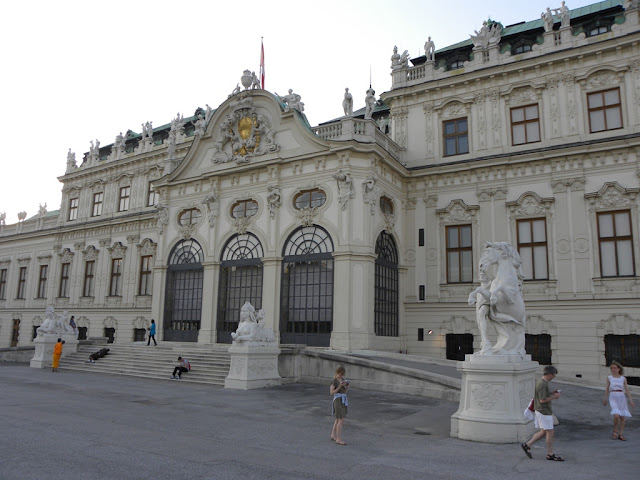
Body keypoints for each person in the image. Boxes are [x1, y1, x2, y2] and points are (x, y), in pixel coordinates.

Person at [521, 365, 564, 461]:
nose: (554, 377)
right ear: (549, 374)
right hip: (543, 411)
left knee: (543, 431)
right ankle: (550, 453)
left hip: (540, 410)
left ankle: (527, 445)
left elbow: (542, 396)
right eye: (553, 375)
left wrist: (551, 394)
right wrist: (555, 397)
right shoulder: (543, 384)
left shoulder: (541, 382)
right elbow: (542, 400)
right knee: (550, 431)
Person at [603, 360, 635, 440]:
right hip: (613, 396)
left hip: (621, 397)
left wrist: (631, 400)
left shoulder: (623, 378)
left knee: (622, 417)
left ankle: (621, 434)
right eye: (612, 368)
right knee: (616, 415)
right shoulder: (609, 378)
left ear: (618, 369)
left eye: (614, 368)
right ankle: (615, 431)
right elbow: (607, 389)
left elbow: (627, 389)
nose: (613, 370)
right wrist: (605, 399)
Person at [330, 366, 349, 445]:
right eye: (340, 374)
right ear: (337, 373)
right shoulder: (334, 381)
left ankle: (333, 435)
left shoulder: (343, 380)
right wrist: (339, 386)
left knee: (338, 419)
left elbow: (344, 392)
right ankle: (338, 439)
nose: (341, 376)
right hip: (337, 400)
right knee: (341, 420)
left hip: (343, 400)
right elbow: (332, 392)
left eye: (342, 374)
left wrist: (346, 387)